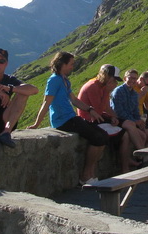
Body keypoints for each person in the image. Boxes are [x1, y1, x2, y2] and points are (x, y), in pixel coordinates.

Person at [28, 51, 109, 184]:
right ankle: (85, 176)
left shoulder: (64, 80)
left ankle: (90, 173)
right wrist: (36, 124)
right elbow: (46, 102)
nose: (72, 66)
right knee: (98, 138)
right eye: (71, 64)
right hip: (62, 120)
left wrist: (90, 110)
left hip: (71, 118)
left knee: (103, 136)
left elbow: (74, 100)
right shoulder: (54, 80)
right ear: (62, 64)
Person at [77, 64, 126, 164]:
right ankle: (125, 165)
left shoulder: (102, 85)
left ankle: (126, 163)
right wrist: (107, 92)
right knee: (125, 134)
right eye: (114, 79)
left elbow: (106, 108)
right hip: (90, 120)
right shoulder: (93, 86)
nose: (115, 83)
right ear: (107, 76)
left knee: (127, 129)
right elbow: (98, 111)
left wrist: (113, 117)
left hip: (98, 118)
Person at [111, 68, 148, 170]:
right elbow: (118, 112)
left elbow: (136, 110)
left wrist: (139, 121)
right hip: (118, 120)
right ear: (125, 78)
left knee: (144, 135)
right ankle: (143, 156)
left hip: (131, 120)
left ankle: (139, 160)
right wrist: (135, 121)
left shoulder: (133, 93)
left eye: (134, 78)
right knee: (133, 129)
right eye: (130, 78)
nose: (133, 80)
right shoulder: (119, 91)